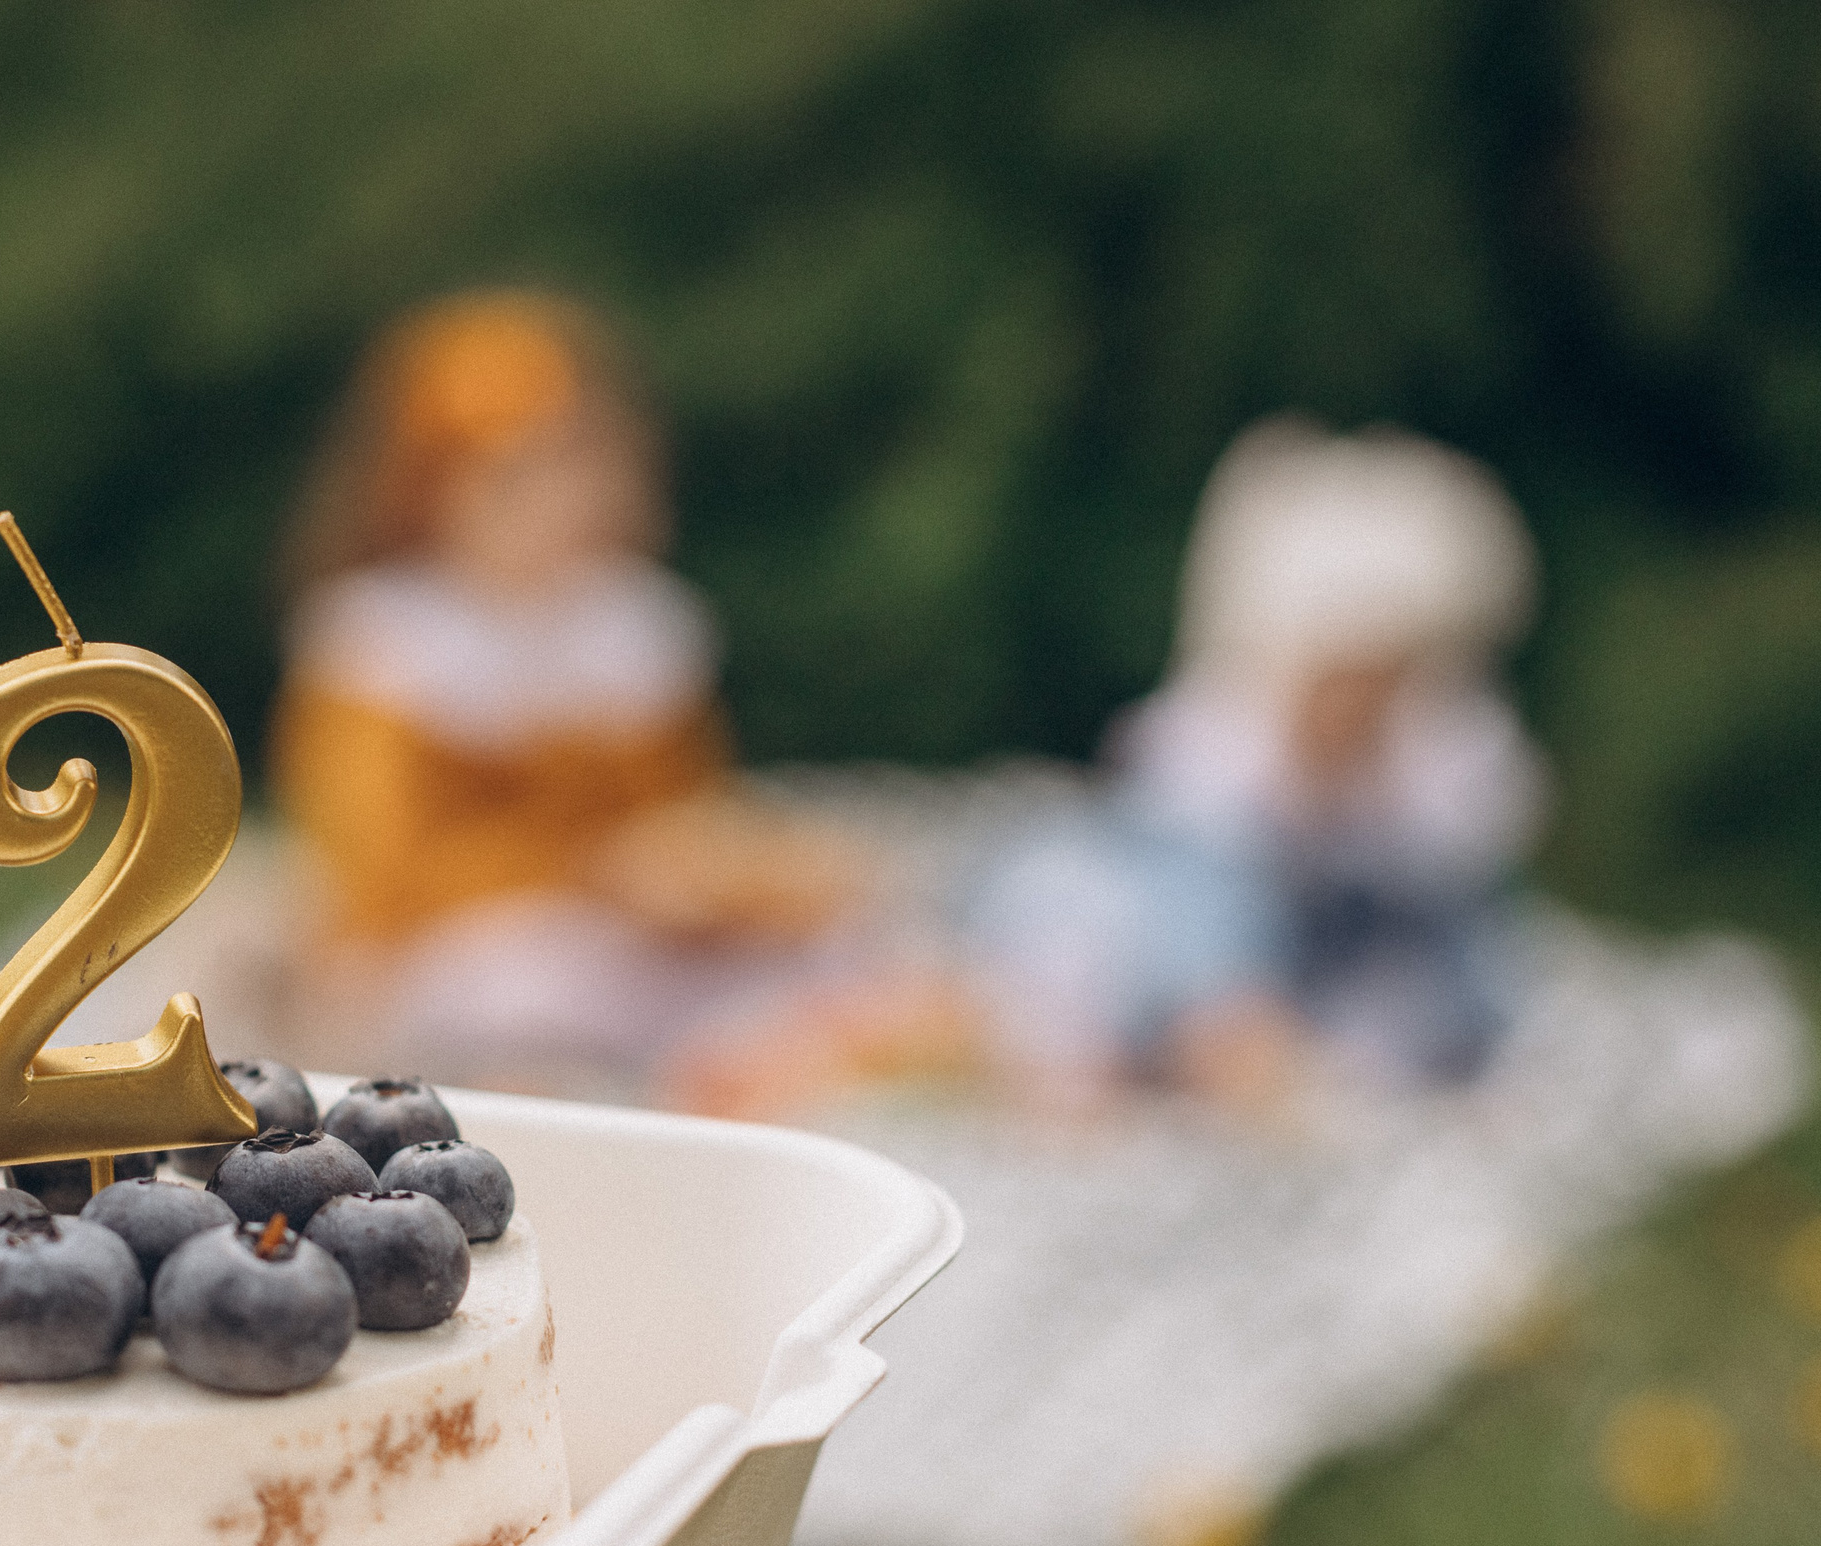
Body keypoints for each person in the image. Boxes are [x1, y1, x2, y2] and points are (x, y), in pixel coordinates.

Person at [271, 290, 846, 1090]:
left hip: (631, 946)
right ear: (436, 486)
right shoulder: (383, 641)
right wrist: (592, 875)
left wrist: (723, 882)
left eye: (576, 465)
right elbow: (379, 871)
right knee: (525, 997)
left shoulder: (636, 623)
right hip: (456, 950)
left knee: (823, 967)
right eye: (519, 475)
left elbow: (686, 814)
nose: (561, 499)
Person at [961, 414, 1546, 1114]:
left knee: (1410, 1007)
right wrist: (1227, 1009)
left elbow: (1451, 901)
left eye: (1384, 675)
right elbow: (1197, 894)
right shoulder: (1219, 749)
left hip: (1344, 975)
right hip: (1208, 955)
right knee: (1088, 916)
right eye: (1346, 673)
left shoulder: (1437, 759)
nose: (1360, 699)